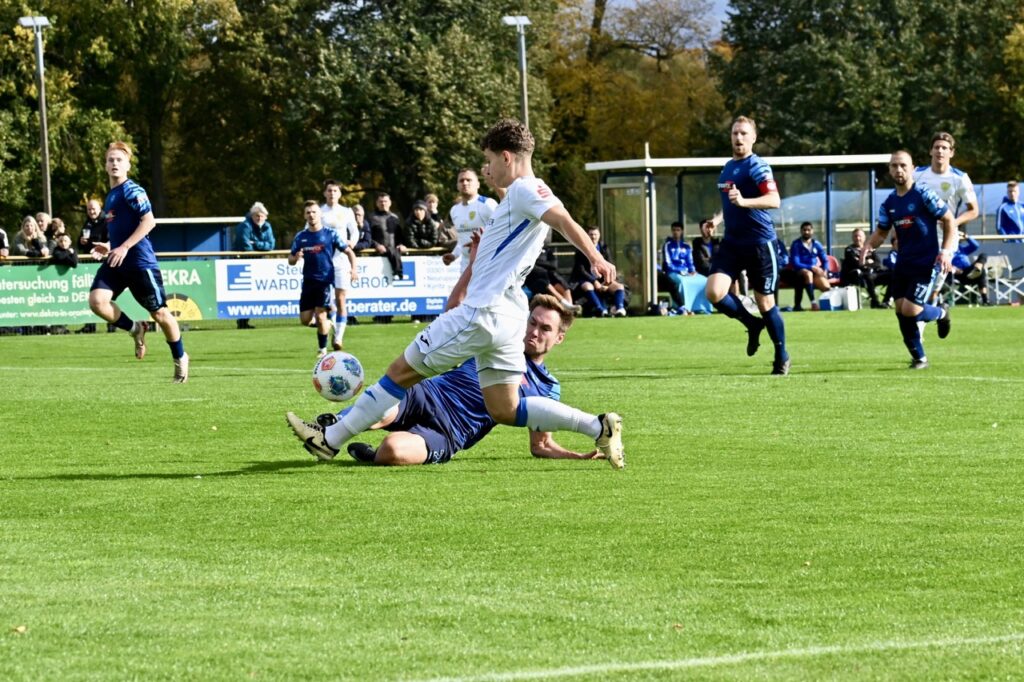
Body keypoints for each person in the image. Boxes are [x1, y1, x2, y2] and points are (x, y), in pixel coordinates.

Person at [286, 117, 624, 469]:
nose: (487, 169)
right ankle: (596, 425)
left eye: (491, 161)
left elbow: (562, 218)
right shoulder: (524, 194)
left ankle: (330, 439)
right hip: (509, 316)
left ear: (507, 157)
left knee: (400, 372)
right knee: (505, 408)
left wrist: (595, 256)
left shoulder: (526, 190)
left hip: (483, 312)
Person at [329, 294, 604, 465]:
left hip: (451, 432)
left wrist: (578, 457)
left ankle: (371, 455)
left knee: (393, 451)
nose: (534, 331)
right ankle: (331, 426)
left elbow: (541, 445)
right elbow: (456, 309)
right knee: (385, 409)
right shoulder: (496, 341)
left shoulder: (547, 387)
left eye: (545, 328)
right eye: (532, 322)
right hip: (425, 395)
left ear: (559, 338)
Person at [87, 141, 189, 383]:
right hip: (118, 259)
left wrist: (123, 247)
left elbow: (149, 221)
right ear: (105, 165)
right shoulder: (111, 196)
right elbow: (124, 229)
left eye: (119, 160)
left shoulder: (133, 191)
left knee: (161, 314)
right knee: (97, 301)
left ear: (128, 165)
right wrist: (111, 247)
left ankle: (181, 358)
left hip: (140, 263)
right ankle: (135, 329)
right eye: (111, 160)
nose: (114, 164)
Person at [704, 116, 790, 375]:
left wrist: (745, 202)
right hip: (732, 242)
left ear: (753, 138)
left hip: (760, 245)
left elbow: (774, 200)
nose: (738, 138)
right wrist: (717, 219)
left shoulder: (758, 166)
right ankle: (752, 325)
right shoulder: (728, 167)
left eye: (743, 133)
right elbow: (731, 200)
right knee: (714, 293)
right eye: (734, 133)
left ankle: (781, 355)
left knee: (765, 303)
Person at [862, 150, 955, 370]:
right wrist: (868, 245)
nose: (899, 170)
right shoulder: (889, 203)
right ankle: (919, 358)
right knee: (900, 310)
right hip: (904, 262)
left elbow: (949, 220)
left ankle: (941, 313)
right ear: (889, 170)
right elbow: (882, 232)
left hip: (926, 261)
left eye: (903, 165)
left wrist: (946, 251)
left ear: (913, 168)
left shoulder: (923, 194)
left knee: (911, 310)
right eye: (894, 166)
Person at [288, 201, 357, 358]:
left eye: (314, 212)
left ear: (320, 215)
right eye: (308, 213)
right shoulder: (301, 236)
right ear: (305, 216)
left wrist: (354, 269)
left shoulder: (330, 234)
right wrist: (295, 257)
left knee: (320, 315)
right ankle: (327, 324)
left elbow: (349, 252)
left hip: (325, 281)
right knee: (305, 320)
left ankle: (322, 349)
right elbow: (290, 259)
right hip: (308, 282)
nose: (311, 215)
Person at [319, 181, 358, 348]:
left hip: (341, 261)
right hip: (323, 262)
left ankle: (338, 338)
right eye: (329, 190)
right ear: (324, 193)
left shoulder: (346, 212)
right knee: (327, 302)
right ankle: (333, 325)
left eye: (335, 191)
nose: (332, 193)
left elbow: (355, 231)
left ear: (340, 194)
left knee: (341, 299)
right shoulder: (319, 212)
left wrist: (352, 243)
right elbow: (308, 229)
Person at [913, 132, 979, 229]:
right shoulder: (916, 174)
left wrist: (954, 222)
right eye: (936, 147)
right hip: (919, 237)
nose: (940, 151)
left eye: (944, 148)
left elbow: (974, 211)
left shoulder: (960, 178)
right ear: (930, 151)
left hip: (947, 237)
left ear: (951, 153)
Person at [232, 201, 276, 329]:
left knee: (253, 292)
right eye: (257, 215)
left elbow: (271, 245)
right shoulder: (244, 226)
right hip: (242, 263)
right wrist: (261, 246)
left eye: (262, 216)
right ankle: (242, 321)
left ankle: (245, 320)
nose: (259, 218)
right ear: (252, 216)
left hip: (258, 262)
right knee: (243, 293)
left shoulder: (267, 226)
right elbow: (246, 247)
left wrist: (256, 243)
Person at [445, 168, 498, 271]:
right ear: (457, 186)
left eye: (469, 180)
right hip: (466, 265)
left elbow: (502, 231)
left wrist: (481, 242)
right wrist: (454, 255)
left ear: (478, 184)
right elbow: (462, 240)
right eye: (461, 180)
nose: (465, 183)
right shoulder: (454, 210)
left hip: (488, 263)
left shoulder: (488, 204)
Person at [572, 226, 627, 317]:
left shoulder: (604, 248)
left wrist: (608, 282)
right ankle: (601, 310)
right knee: (588, 286)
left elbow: (609, 264)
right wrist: (594, 281)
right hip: (586, 279)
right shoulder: (580, 249)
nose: (593, 237)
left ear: (599, 235)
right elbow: (580, 270)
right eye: (591, 234)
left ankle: (620, 309)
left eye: (595, 234)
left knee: (619, 286)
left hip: (602, 279)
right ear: (587, 235)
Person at [789, 221, 831, 311]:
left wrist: (825, 270)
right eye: (804, 230)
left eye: (808, 230)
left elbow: (825, 260)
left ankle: (829, 306)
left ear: (812, 231)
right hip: (800, 271)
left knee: (826, 287)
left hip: (814, 272)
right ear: (801, 231)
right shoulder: (796, 244)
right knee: (808, 274)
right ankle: (813, 303)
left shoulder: (816, 244)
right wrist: (811, 267)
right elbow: (796, 263)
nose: (806, 232)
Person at [840, 228, 885, 308]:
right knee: (868, 276)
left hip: (873, 274)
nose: (858, 238)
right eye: (855, 236)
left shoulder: (870, 249)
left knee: (892, 274)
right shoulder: (849, 250)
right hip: (857, 276)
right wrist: (868, 262)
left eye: (859, 236)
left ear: (864, 237)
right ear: (852, 238)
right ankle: (875, 302)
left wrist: (864, 263)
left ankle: (886, 301)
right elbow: (856, 264)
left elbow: (878, 263)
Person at [659, 221, 696, 313]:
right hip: (673, 272)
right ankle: (681, 306)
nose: (676, 232)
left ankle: (699, 307)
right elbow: (668, 263)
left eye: (678, 230)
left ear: (682, 231)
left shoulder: (686, 246)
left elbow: (690, 261)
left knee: (702, 281)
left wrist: (692, 271)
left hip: (686, 272)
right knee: (681, 282)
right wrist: (680, 271)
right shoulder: (667, 245)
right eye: (674, 230)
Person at [368, 192, 405, 279]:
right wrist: (376, 245)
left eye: (385, 201)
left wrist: (401, 244)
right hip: (377, 254)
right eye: (381, 201)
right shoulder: (371, 217)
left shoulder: (395, 218)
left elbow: (400, 236)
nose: (383, 203)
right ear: (377, 203)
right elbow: (368, 236)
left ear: (390, 203)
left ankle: (398, 272)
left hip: (395, 254)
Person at [948, 231, 990, 305]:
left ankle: (978, 267)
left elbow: (976, 245)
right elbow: (942, 262)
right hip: (957, 275)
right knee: (981, 272)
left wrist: (966, 236)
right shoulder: (946, 251)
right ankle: (985, 300)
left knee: (983, 256)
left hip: (969, 271)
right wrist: (953, 269)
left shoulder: (960, 249)